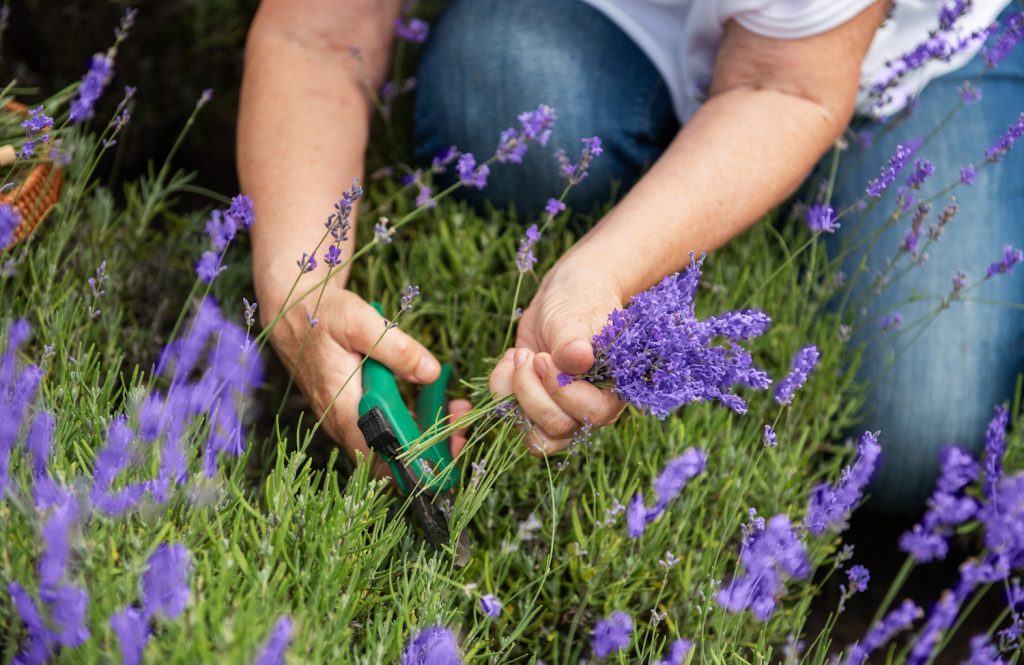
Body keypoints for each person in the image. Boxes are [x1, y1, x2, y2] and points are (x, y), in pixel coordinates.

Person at [238, 0, 1023, 513]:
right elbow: (316, 30)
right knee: (499, 102)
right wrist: (297, 282)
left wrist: (603, 268)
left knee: (924, 440)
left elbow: (785, 87)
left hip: (903, 53)